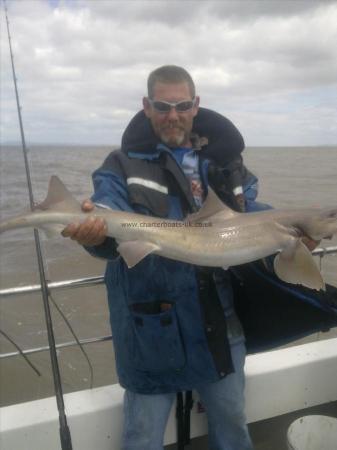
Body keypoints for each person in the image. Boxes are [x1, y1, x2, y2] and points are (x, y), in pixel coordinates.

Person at [62, 65, 259, 450]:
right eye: (163, 106)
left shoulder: (226, 162)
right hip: (150, 325)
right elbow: (108, 221)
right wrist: (94, 237)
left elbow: (250, 212)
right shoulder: (121, 164)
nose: (173, 115)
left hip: (219, 320)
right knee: (142, 437)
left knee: (234, 427)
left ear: (196, 105)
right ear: (147, 106)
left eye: (182, 105)